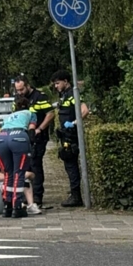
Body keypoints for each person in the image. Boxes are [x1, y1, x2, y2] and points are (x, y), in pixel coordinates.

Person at [0, 96, 42, 218]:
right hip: (18, 138)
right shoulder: (30, 113)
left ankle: (7, 205)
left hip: (2, 138)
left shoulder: (9, 116)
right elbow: (32, 131)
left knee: (7, 173)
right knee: (19, 173)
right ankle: (17, 206)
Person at [50, 70, 89, 207]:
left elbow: (84, 110)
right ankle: (74, 192)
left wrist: (73, 123)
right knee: (68, 164)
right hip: (66, 135)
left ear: (66, 81)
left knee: (71, 165)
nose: (56, 86)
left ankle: (76, 196)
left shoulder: (73, 94)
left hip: (71, 136)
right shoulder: (64, 95)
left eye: (57, 83)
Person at [14, 75, 53, 207]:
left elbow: (50, 114)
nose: (19, 93)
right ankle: (27, 195)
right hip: (23, 138)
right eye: (17, 90)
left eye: (21, 89)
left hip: (38, 137)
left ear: (27, 85)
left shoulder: (40, 97)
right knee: (26, 165)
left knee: (35, 164)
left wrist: (40, 129)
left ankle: (37, 196)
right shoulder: (18, 99)